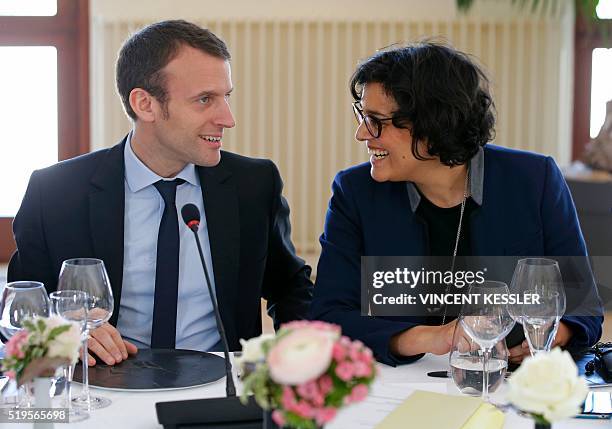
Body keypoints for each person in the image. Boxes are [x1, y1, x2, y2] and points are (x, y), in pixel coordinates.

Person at [9, 20, 313, 366]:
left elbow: (290, 287)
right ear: (145, 104)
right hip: (103, 387)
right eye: (204, 100)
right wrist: (65, 331)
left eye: (225, 97)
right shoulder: (56, 193)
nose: (227, 118)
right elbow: (24, 312)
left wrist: (303, 359)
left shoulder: (254, 184)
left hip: (220, 383)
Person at [310, 42, 603, 366]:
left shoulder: (534, 181)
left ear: (433, 123)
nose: (362, 133)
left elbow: (584, 308)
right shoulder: (355, 192)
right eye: (362, 116)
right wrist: (432, 337)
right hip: (402, 387)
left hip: (509, 385)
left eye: (377, 120)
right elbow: (328, 318)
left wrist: (548, 334)